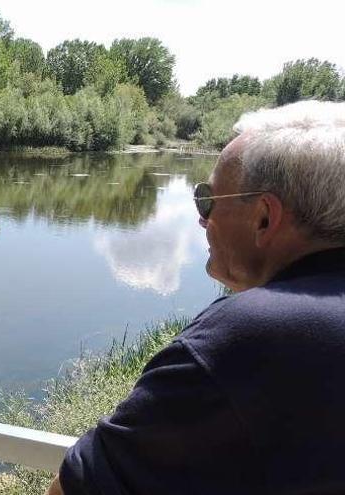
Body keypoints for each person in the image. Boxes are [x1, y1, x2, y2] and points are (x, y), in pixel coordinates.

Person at [48, 100, 345, 495]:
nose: (202, 219)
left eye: (208, 200)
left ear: (263, 218)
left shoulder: (246, 339)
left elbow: (78, 488)